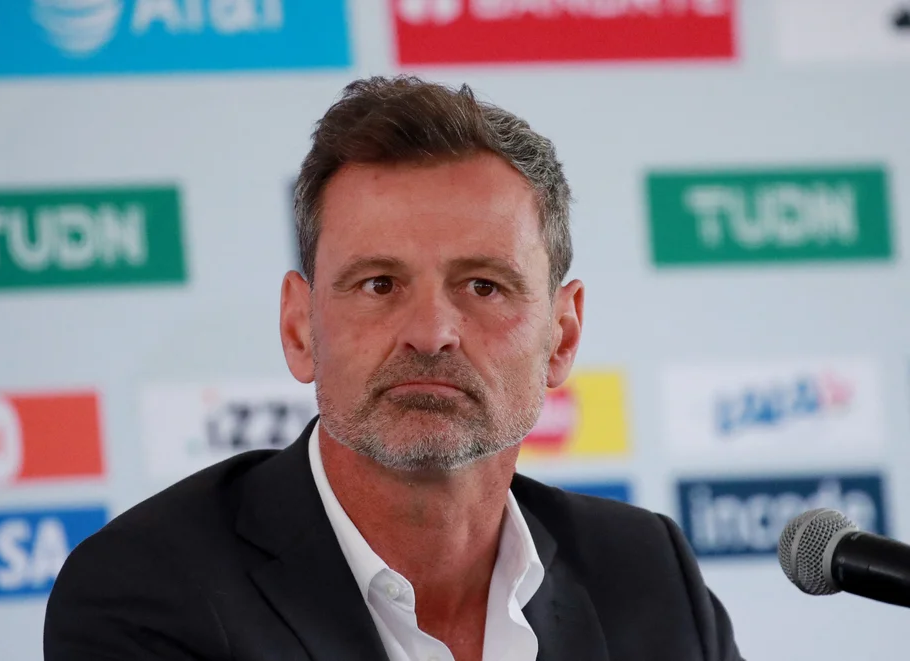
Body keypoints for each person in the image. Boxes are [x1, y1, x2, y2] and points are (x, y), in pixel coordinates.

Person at [44, 76, 744, 661]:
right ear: (299, 327)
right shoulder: (147, 593)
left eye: (483, 286)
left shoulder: (648, 573)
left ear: (562, 337)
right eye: (379, 283)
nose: (431, 334)